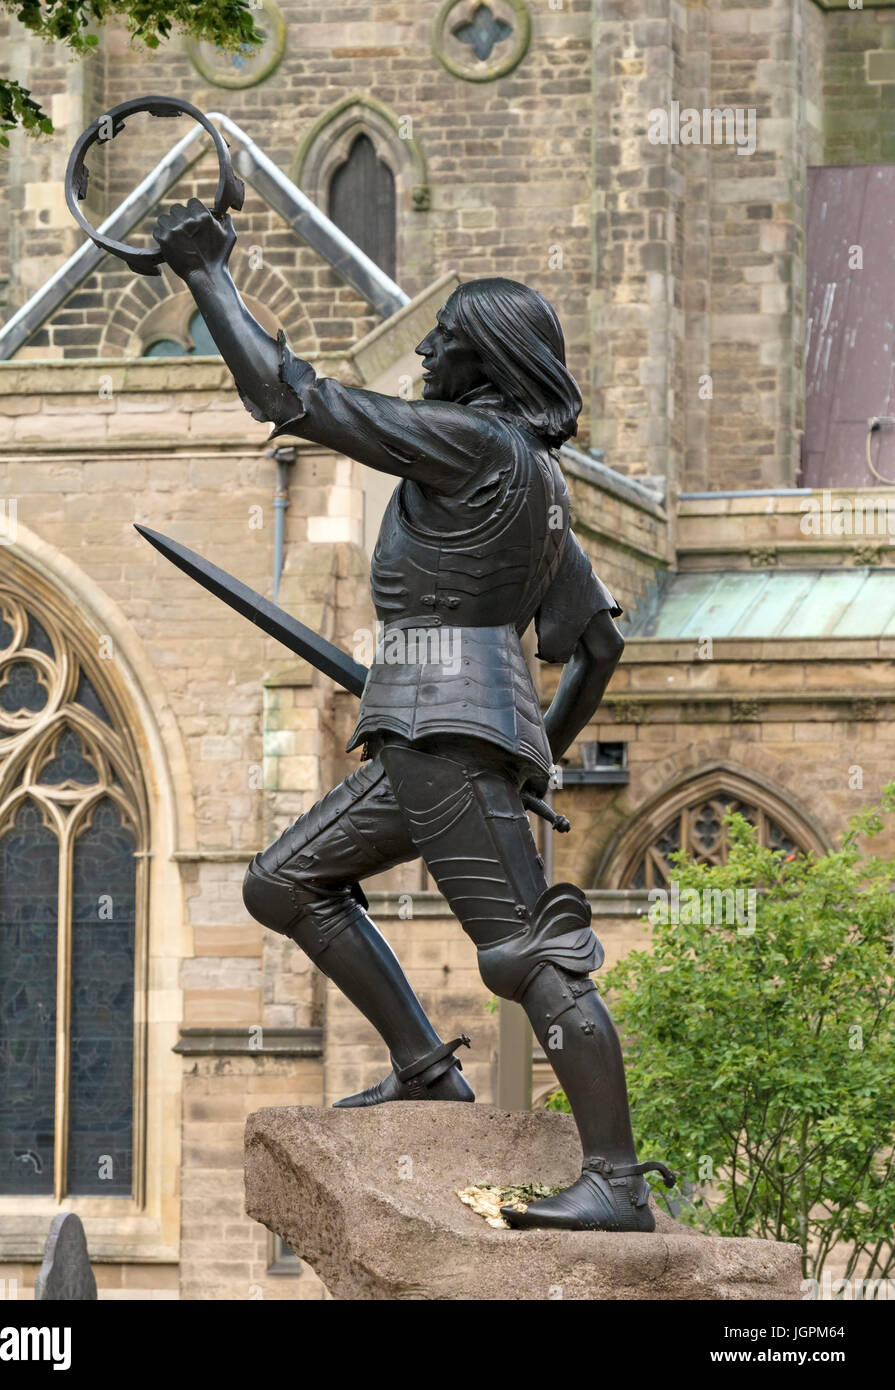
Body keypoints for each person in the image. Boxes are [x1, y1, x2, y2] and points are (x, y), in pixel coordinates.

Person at [152, 199, 674, 1230]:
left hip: (445, 736)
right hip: (436, 737)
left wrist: (207, 274)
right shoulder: (537, 481)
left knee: (527, 952)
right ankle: (427, 1067)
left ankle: (616, 1181)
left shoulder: (474, 447)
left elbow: (290, 396)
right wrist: (537, 753)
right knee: (285, 881)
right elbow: (599, 644)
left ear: (481, 358)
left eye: (442, 337)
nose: (426, 348)